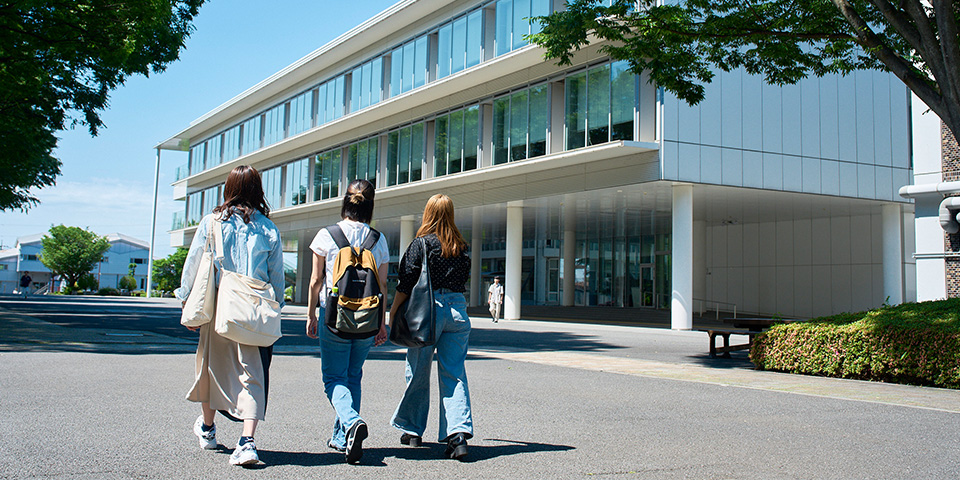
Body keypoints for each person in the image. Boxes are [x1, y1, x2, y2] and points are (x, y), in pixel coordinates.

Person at [176, 165, 284, 467]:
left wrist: (185, 298)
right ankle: (247, 442)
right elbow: (277, 278)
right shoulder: (268, 227)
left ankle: (208, 430)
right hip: (253, 309)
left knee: (211, 368)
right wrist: (277, 306)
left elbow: (194, 262)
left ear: (229, 188)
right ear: (258, 190)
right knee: (253, 375)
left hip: (219, 307)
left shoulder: (212, 222)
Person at [306, 179, 389, 464]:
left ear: (345, 201)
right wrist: (382, 323)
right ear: (370, 204)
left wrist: (310, 314)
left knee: (333, 378)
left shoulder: (326, 235)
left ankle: (351, 422)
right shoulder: (378, 239)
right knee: (353, 375)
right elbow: (383, 285)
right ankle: (342, 437)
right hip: (367, 318)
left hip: (334, 316)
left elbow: (317, 280)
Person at [389, 193, 473, 461]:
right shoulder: (461, 247)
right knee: (454, 373)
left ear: (428, 213)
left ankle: (412, 430)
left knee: (418, 370)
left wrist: (393, 312)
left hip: (428, 312)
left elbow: (406, 282)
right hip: (457, 311)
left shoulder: (421, 244)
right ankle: (458, 435)